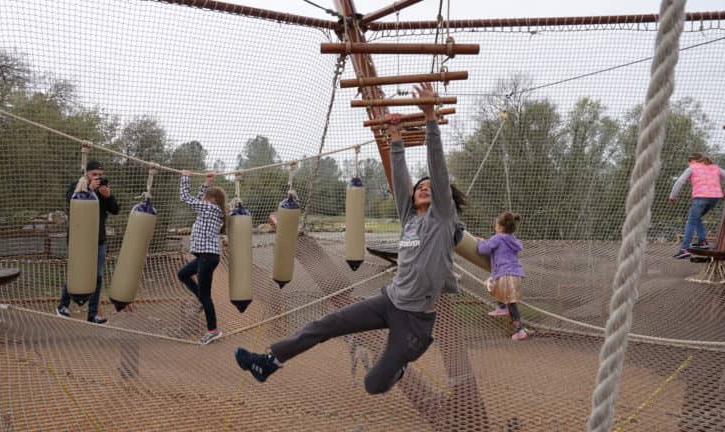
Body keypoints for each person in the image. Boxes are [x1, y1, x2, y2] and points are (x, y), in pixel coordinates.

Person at [234, 82, 466, 394]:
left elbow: (437, 169)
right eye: (419, 185)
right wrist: (395, 137)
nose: (423, 187)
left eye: (430, 186)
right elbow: (400, 180)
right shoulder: (410, 220)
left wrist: (429, 117)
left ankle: (397, 366)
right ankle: (270, 362)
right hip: (389, 301)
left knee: (374, 384)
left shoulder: (442, 220)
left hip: (415, 321)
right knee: (326, 324)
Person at [56, 160, 120, 324]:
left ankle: (93, 314)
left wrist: (108, 196)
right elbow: (70, 201)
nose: (98, 178)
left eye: (100, 175)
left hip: (98, 239)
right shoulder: (76, 186)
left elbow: (115, 210)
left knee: (97, 275)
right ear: (86, 174)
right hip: (79, 239)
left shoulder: (102, 191)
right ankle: (62, 306)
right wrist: (88, 190)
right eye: (94, 175)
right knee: (77, 271)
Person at [178, 170, 227, 346]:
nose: (203, 199)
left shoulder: (209, 208)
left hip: (207, 257)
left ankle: (213, 330)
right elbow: (198, 199)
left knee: (206, 295)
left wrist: (185, 177)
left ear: (211, 200)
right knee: (183, 274)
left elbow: (185, 197)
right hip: (205, 256)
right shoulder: (212, 208)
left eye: (205, 196)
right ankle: (201, 299)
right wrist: (206, 182)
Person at [669, 152, 725, 259]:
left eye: (689, 161)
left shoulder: (692, 168)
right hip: (715, 198)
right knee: (696, 218)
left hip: (701, 198)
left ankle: (684, 249)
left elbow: (679, 182)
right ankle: (703, 242)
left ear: (694, 161)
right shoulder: (715, 167)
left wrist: (673, 196)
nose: (689, 164)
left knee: (691, 221)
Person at [477, 212, 528, 341]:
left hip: (504, 273)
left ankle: (501, 307)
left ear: (500, 227)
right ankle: (519, 330)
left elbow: (483, 250)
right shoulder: (512, 240)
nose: (495, 227)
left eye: (496, 225)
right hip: (516, 275)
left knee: (489, 284)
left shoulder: (498, 237)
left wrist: (481, 242)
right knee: (512, 304)